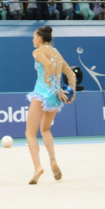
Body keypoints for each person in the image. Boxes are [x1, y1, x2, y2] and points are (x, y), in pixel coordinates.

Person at [26, 26, 76, 184]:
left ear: (40, 38)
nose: (33, 40)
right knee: (45, 129)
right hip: (55, 97)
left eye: (34, 37)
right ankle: (53, 161)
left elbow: (47, 66)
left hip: (42, 93)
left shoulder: (37, 52)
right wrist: (71, 93)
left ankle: (38, 167)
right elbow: (71, 74)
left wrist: (52, 86)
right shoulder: (57, 53)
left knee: (30, 133)